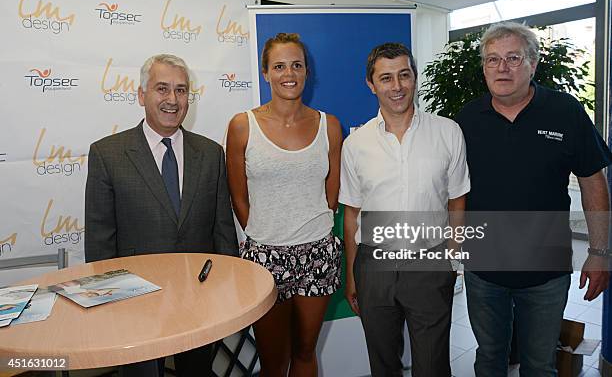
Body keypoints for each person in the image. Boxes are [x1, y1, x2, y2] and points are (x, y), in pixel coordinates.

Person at [455, 21, 612, 376]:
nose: (502, 67)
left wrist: (600, 253)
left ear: (533, 64)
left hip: (546, 272)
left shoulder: (565, 111)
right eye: (492, 59)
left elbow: (592, 181)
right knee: (489, 356)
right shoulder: (467, 119)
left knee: (540, 365)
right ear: (484, 67)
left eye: (513, 57)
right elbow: (453, 189)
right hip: (484, 270)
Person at [85, 53, 238, 377]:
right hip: (136, 305)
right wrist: (107, 303)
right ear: (142, 95)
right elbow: (100, 240)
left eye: (181, 90)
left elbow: (222, 229)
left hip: (201, 300)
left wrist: (226, 292)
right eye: (162, 89)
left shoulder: (211, 153)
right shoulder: (107, 154)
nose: (172, 99)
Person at [340, 42, 470, 377]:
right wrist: (353, 275)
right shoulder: (355, 144)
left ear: (415, 77)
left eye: (404, 75)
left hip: (430, 262)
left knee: (432, 364)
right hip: (373, 266)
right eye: (386, 78)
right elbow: (352, 214)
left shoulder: (448, 132)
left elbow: (457, 200)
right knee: (383, 363)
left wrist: (453, 259)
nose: (397, 87)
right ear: (371, 84)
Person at [225, 32, 343, 376]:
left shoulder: (330, 126)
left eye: (296, 65)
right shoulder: (242, 126)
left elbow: (331, 195)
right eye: (279, 66)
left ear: (307, 72)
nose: (288, 73)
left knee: (306, 351)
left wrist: (310, 229)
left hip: (317, 253)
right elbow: (238, 196)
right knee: (274, 361)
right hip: (265, 258)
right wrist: (266, 234)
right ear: (265, 73)